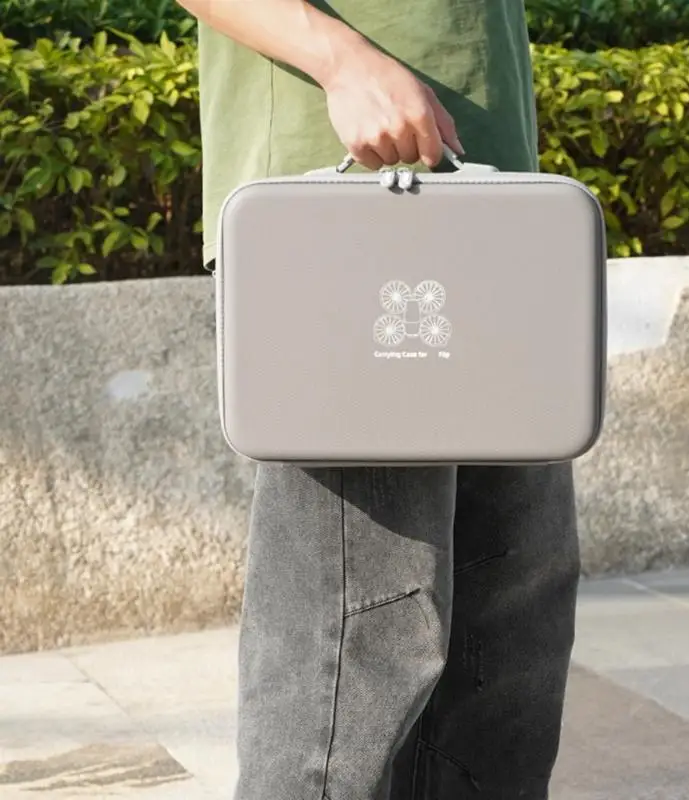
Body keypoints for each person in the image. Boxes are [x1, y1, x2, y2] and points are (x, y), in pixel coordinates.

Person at [176, 1, 580, 798]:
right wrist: (343, 61)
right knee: (359, 637)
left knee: (507, 635)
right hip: (347, 208)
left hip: (498, 210)